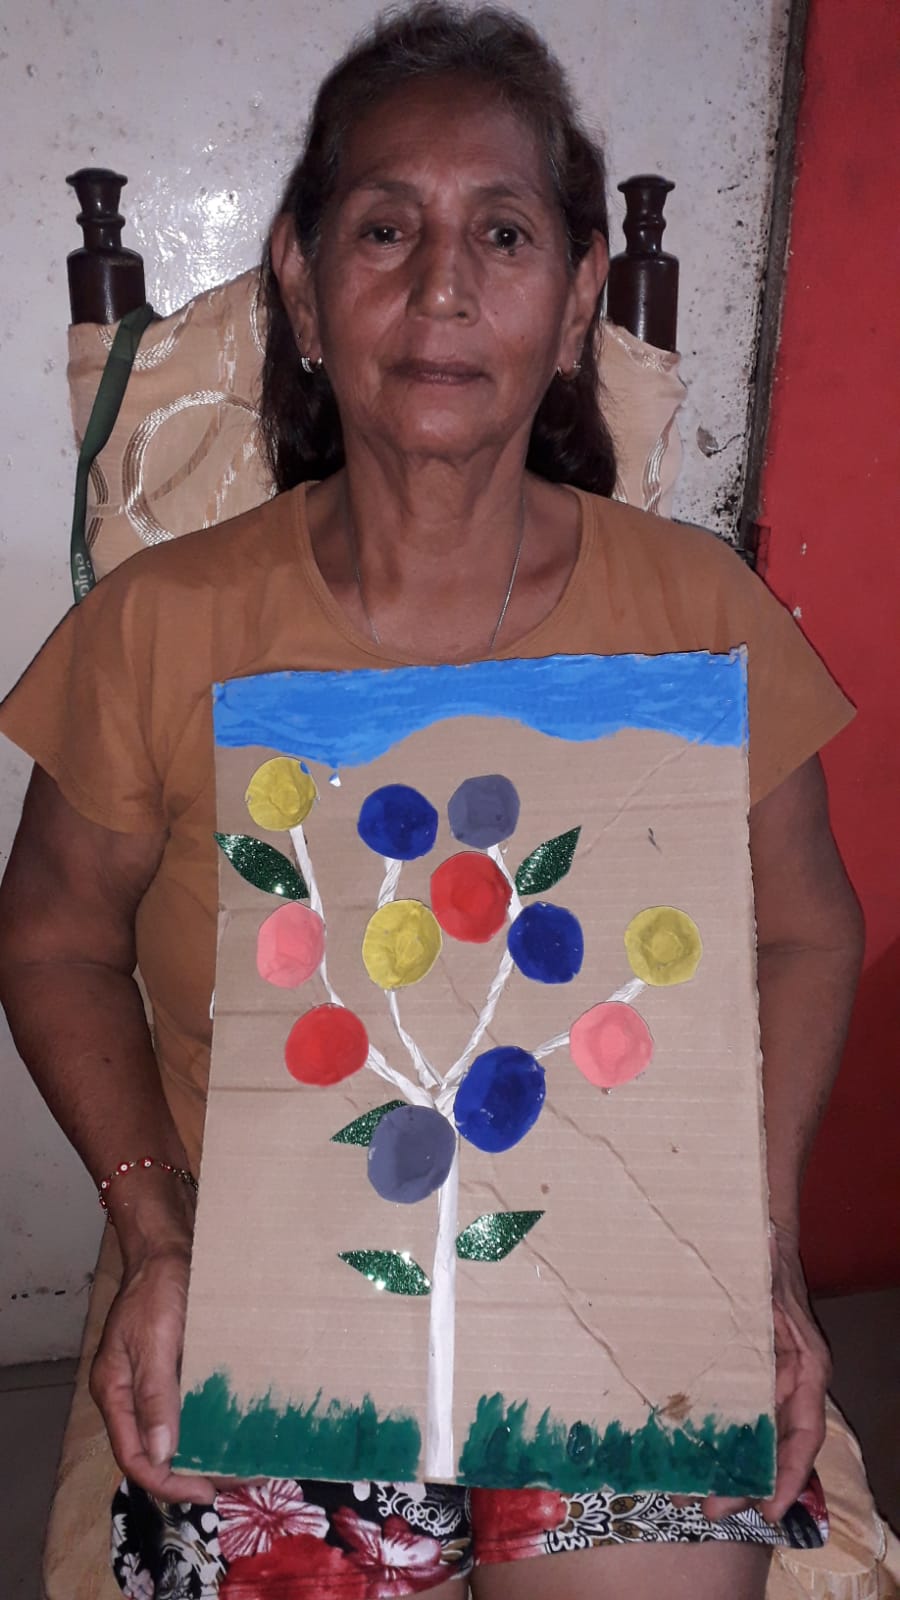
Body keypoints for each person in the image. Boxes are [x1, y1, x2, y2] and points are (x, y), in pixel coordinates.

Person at [0, 6, 863, 1598]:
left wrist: (750, 1239)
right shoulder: (163, 625)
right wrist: (159, 1231)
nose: (444, 287)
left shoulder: (696, 614)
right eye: (386, 228)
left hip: (618, 1260)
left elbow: (808, 932)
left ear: (580, 296)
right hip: (275, 1274)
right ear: (300, 284)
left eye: (505, 233)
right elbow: (52, 939)